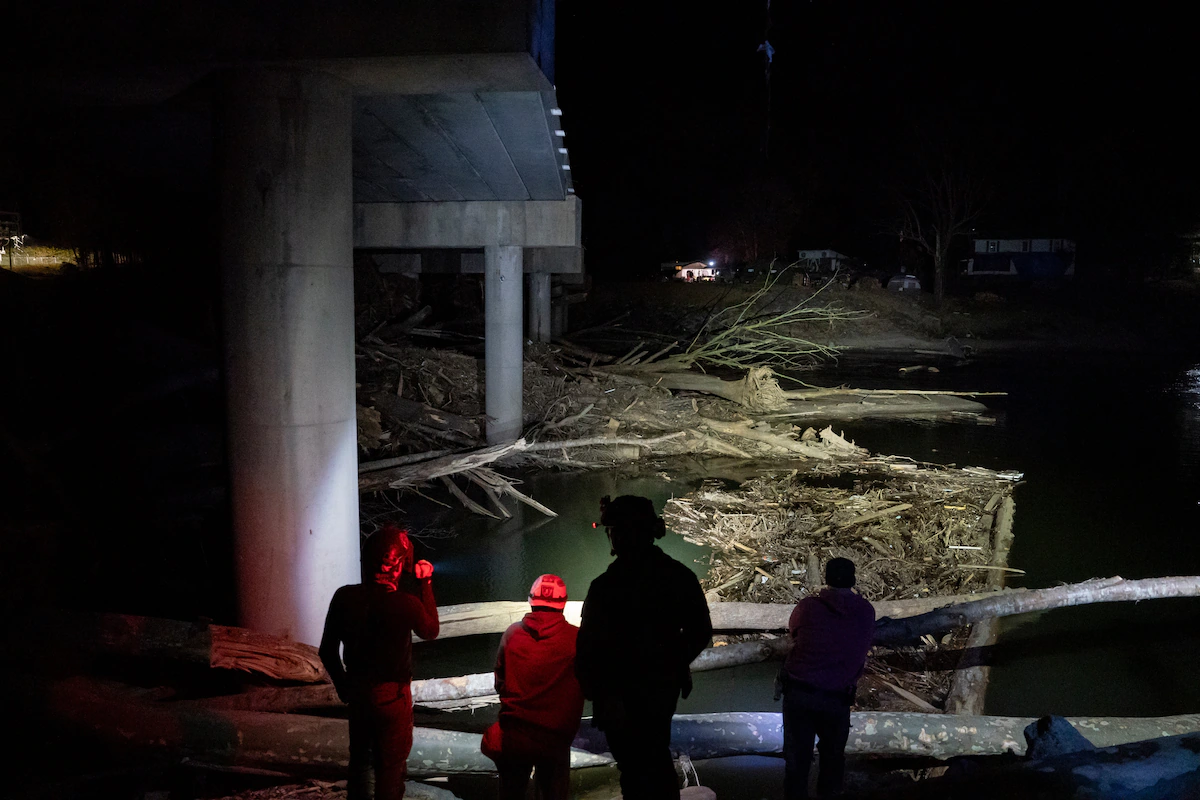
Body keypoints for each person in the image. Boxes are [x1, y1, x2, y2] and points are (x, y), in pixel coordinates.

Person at [575, 495, 713, 800]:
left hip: (617, 695)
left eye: (613, 530)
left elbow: (587, 649)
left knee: (635, 767)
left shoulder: (605, 586)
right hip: (659, 691)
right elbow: (700, 630)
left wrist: (595, 691)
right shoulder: (678, 576)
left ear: (622, 533)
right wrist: (673, 663)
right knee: (654, 758)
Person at [319, 526, 439, 800]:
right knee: (391, 768)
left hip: (360, 694)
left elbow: (327, 651)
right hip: (393, 699)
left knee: (360, 763)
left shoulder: (344, 597)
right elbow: (431, 630)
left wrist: (344, 687)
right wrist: (426, 583)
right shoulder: (406, 604)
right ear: (398, 566)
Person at [481, 574, 585, 800]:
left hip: (515, 737)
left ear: (531, 600)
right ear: (563, 603)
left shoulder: (512, 634)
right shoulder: (576, 640)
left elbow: (500, 683)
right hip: (555, 739)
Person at [779, 557, 875, 799]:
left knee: (797, 762)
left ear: (827, 578)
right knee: (832, 762)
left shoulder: (808, 607)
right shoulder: (865, 610)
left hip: (800, 692)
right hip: (837, 697)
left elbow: (795, 632)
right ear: (853, 580)